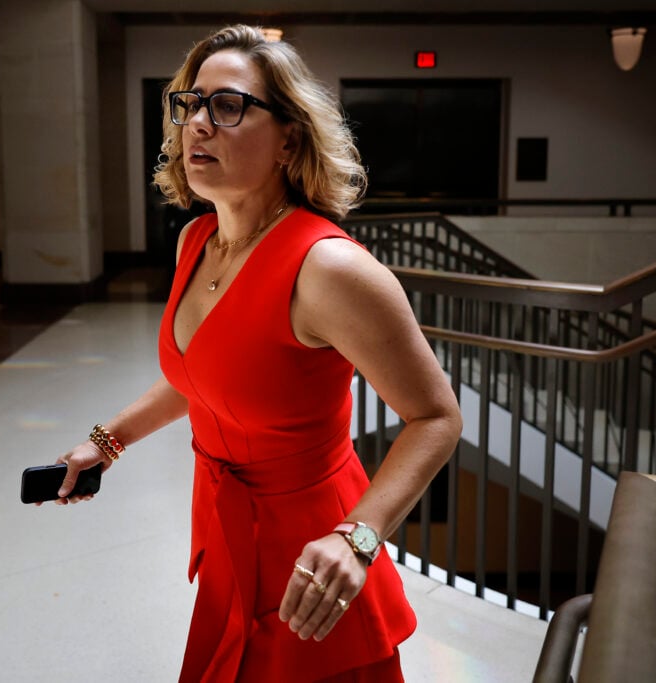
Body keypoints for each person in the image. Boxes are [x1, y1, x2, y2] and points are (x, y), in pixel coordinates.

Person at [48, 24, 462, 682]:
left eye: (228, 105)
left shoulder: (327, 269)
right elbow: (204, 376)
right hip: (230, 534)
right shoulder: (195, 241)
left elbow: (436, 417)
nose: (198, 123)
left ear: (289, 140)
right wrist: (106, 442)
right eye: (190, 104)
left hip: (315, 566)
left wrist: (357, 539)